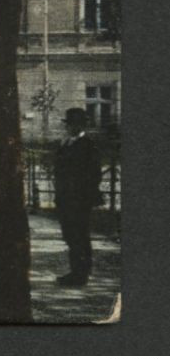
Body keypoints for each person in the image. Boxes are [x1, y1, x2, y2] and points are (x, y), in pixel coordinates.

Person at [54, 107, 102, 286]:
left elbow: (94, 174)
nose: (70, 128)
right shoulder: (66, 143)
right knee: (70, 235)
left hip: (79, 200)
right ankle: (76, 271)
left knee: (79, 236)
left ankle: (80, 275)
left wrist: (83, 196)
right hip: (65, 198)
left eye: (73, 125)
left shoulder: (88, 145)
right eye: (69, 124)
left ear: (81, 126)